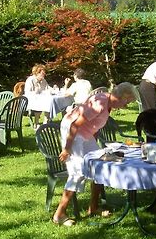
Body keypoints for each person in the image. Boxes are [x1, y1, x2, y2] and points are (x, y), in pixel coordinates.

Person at [53, 82, 137, 226]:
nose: (126, 106)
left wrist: (94, 143)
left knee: (99, 165)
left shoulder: (107, 101)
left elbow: (93, 125)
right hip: (72, 131)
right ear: (121, 97)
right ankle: (59, 214)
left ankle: (93, 207)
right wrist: (67, 149)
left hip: (84, 133)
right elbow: (74, 125)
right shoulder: (100, 104)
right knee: (78, 171)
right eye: (127, 102)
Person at [24, 64, 52, 129]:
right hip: (31, 100)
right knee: (42, 103)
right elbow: (27, 93)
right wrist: (35, 92)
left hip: (41, 99)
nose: (44, 74)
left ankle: (45, 123)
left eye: (44, 73)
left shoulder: (43, 80)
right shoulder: (30, 80)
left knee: (49, 102)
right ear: (37, 73)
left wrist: (52, 89)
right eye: (42, 73)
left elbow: (48, 88)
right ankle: (36, 123)